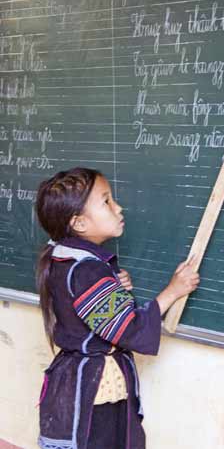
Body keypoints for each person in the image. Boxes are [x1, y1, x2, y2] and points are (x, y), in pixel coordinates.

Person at [35, 167, 199, 449]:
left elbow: (82, 306)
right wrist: (172, 291)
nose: (118, 207)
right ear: (80, 223)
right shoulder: (87, 270)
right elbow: (127, 327)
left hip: (78, 380)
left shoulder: (63, 258)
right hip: (95, 389)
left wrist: (111, 284)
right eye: (106, 201)